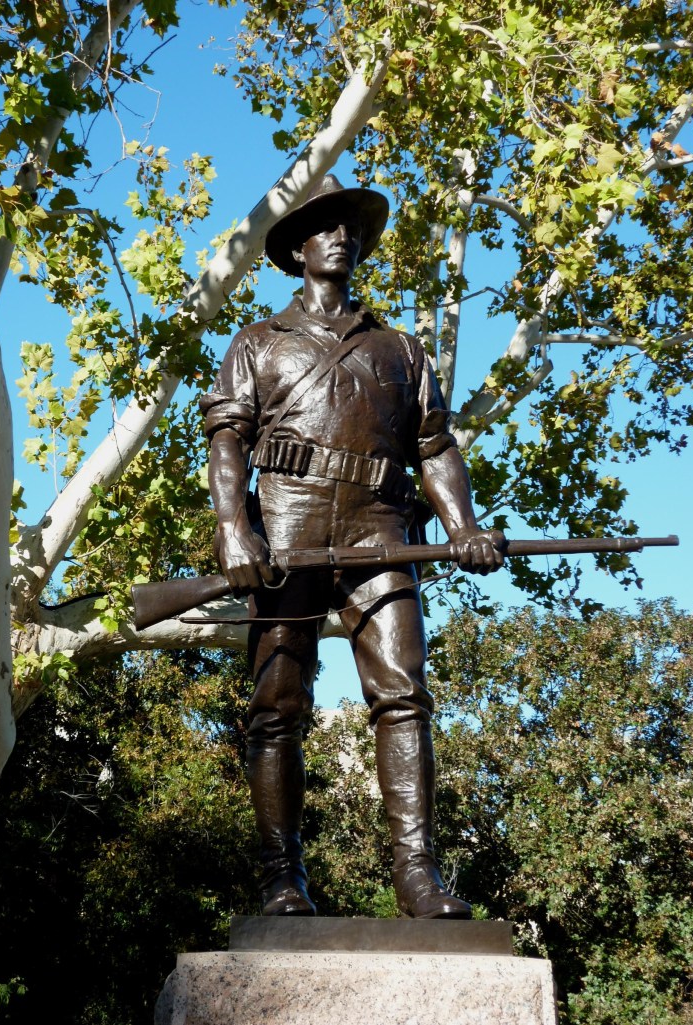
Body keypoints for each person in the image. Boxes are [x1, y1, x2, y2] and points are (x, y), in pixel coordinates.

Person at [200, 175, 503, 919]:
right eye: (324, 226)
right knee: (276, 705)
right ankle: (281, 877)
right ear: (297, 248)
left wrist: (462, 525)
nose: (341, 236)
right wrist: (234, 528)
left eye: (349, 227)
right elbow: (226, 443)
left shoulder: (401, 348)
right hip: (289, 526)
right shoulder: (255, 343)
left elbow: (435, 448)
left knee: (404, 696)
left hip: (380, 528)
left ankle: (418, 875)